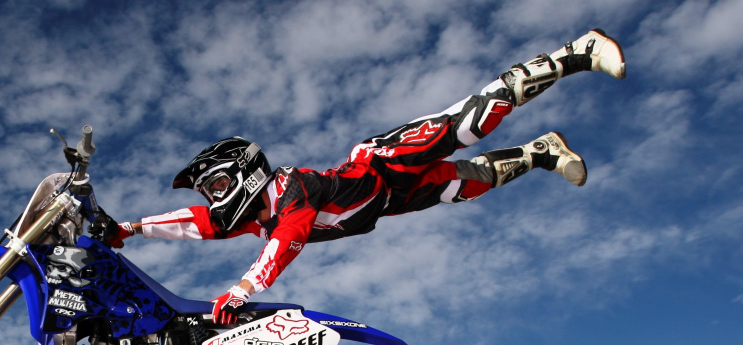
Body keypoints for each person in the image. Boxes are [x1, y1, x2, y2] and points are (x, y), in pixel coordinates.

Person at [100, 29, 626, 324]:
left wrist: (239, 291)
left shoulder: (290, 194)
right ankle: (541, 152)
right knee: (468, 184)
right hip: (388, 201)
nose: (214, 201)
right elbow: (195, 223)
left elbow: (286, 243)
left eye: (216, 186)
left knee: (468, 122)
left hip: (382, 164)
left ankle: (576, 52)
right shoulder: (253, 217)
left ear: (244, 173)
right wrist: (130, 228)